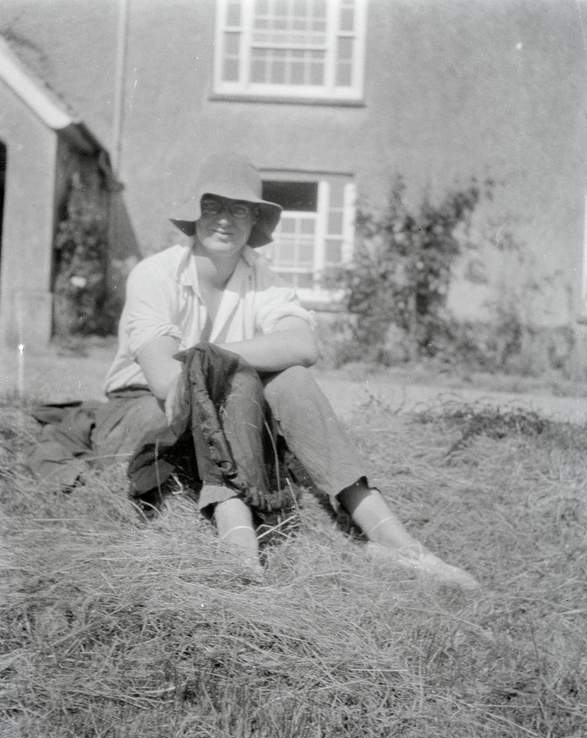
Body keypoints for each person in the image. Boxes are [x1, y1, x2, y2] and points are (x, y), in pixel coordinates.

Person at [99, 154, 478, 589]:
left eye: (239, 209)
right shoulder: (155, 274)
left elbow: (303, 345)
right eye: (213, 207)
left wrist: (211, 353)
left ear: (255, 219)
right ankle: (239, 550)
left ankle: (395, 540)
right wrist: (221, 363)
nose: (224, 220)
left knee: (291, 378)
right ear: (195, 214)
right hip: (145, 407)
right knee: (225, 385)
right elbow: (167, 381)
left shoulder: (260, 275)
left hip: (224, 404)